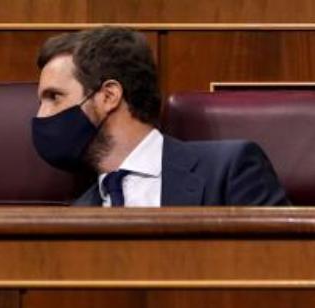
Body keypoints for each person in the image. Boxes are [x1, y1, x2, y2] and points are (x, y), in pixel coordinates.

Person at [31, 27, 289, 207]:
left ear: (109, 96)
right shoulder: (80, 214)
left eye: (54, 97)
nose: (42, 114)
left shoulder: (230, 169)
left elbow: (283, 268)